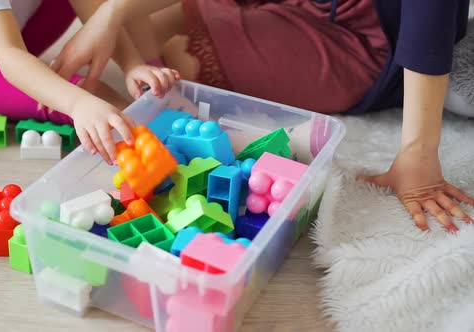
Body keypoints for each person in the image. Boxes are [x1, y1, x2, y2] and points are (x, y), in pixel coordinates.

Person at [51, 0, 474, 231]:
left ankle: (176, 105)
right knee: (146, 21)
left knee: (183, 64)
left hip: (363, 43)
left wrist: (419, 155)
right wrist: (115, 12)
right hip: (301, 9)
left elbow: (428, 22)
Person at [0, 0, 180, 165]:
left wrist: (131, 64)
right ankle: (160, 145)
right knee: (95, 102)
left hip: (12, 35)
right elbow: (9, 55)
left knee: (92, 97)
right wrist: (78, 103)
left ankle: (160, 122)